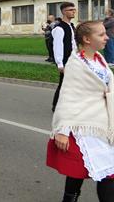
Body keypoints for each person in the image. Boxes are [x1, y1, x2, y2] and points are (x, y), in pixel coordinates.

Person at [46, 21, 114, 202]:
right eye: (101, 34)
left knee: (92, 169)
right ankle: (70, 198)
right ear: (86, 39)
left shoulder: (99, 59)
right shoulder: (76, 64)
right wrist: (62, 130)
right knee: (94, 169)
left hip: (103, 122)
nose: (106, 37)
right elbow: (67, 97)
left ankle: (69, 198)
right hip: (84, 124)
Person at [51, 2, 77, 112]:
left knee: (72, 83)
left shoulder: (71, 26)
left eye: (74, 9)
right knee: (63, 83)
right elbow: (57, 46)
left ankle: (68, 104)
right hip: (65, 60)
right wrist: (60, 63)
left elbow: (73, 43)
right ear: (63, 12)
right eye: (71, 10)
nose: (73, 11)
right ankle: (56, 105)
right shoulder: (60, 28)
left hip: (73, 58)